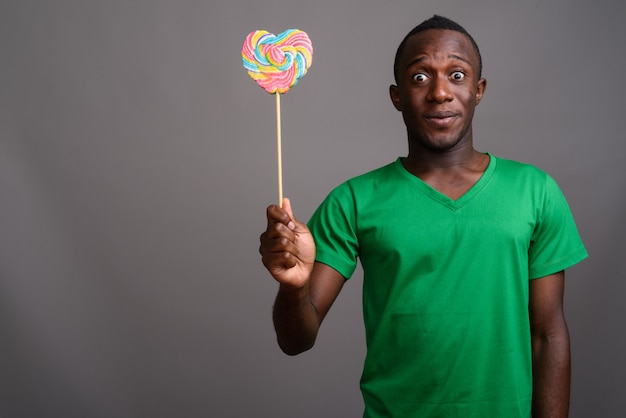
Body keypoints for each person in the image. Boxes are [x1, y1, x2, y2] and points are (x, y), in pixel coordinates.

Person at [259, 15, 587, 418]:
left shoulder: (536, 192)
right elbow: (296, 340)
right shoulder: (353, 201)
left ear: (478, 90)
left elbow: (548, 335)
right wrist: (293, 288)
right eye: (419, 78)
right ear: (397, 96)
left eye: (457, 74)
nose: (440, 93)